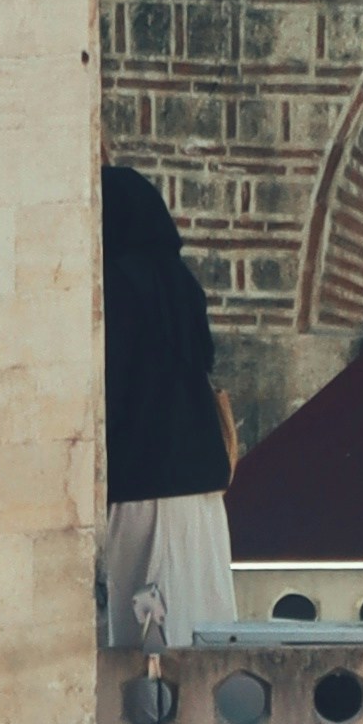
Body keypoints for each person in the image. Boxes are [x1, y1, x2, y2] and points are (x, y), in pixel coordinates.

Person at [99, 161, 236, 647]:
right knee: (199, 622)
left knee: (144, 636)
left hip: (142, 482)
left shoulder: (114, 286)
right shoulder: (180, 283)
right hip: (199, 486)